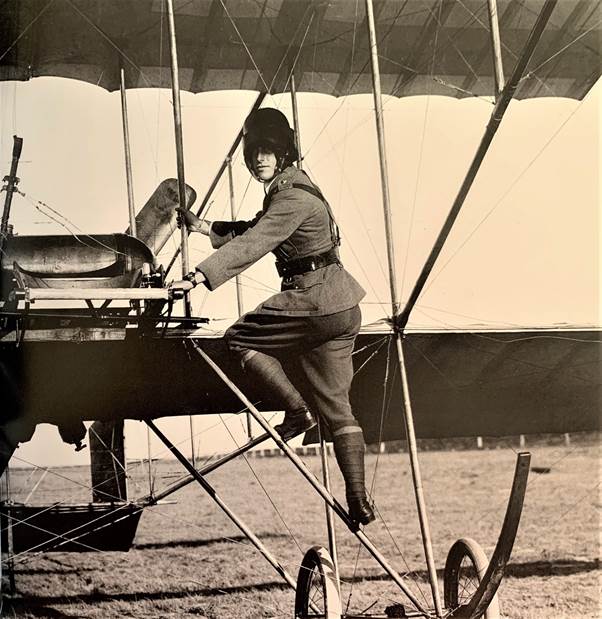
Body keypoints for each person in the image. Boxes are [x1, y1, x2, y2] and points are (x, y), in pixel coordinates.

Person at [172, 108, 374, 526]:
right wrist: (202, 226)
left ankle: (297, 412)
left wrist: (198, 276)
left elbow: (257, 241)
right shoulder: (295, 190)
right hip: (341, 306)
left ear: (283, 153)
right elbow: (254, 228)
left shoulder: (292, 196)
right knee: (340, 409)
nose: (260, 159)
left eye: (269, 150)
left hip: (313, 297)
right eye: (255, 152)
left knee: (238, 339)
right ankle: (359, 500)